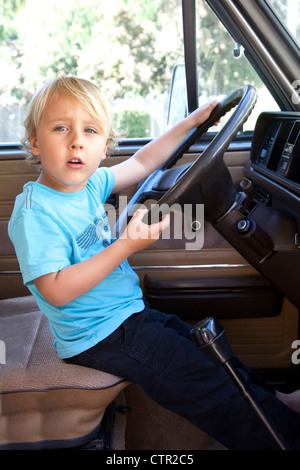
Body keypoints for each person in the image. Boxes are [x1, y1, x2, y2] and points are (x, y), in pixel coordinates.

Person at [8, 76, 300, 450]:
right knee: (204, 388)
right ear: (35, 141)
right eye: (61, 128)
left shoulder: (88, 184)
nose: (76, 140)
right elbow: (56, 289)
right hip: (100, 336)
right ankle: (283, 438)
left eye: (90, 130)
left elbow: (144, 160)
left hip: (125, 315)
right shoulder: (36, 213)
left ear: (104, 146)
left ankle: (276, 404)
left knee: (206, 351)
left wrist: (192, 123)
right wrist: (125, 246)